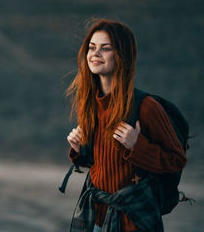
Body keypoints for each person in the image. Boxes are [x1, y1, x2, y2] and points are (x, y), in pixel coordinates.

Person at [65, 19, 187, 232]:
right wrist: (78, 149)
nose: (96, 54)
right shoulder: (90, 103)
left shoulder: (146, 106)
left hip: (134, 220)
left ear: (122, 55)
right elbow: (99, 163)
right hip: (95, 217)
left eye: (105, 48)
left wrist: (137, 146)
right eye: (92, 48)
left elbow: (176, 160)